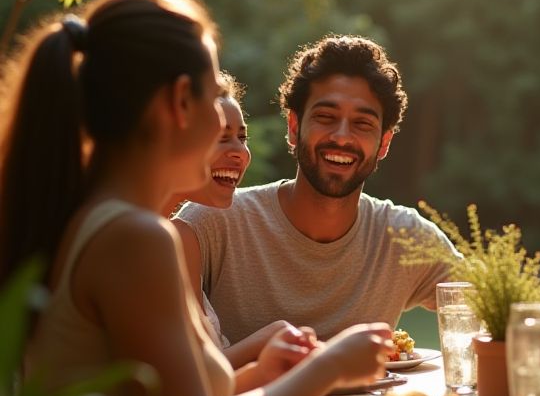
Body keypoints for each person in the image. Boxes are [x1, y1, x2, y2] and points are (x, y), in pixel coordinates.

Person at [1, 0, 529, 396]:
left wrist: (259, 375)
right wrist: (326, 367)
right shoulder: (135, 238)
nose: (229, 130)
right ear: (180, 103)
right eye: (213, 100)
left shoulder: (111, 224)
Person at [176, 35, 455, 347]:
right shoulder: (212, 223)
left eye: (362, 124)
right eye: (326, 117)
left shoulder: (404, 236)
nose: (341, 137)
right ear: (294, 128)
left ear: (384, 143)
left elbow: (494, 305)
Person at [167, 72, 295, 370]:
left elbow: (206, 378)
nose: (240, 153)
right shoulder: (145, 242)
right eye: (220, 138)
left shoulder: (175, 234)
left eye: (241, 137)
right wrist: (327, 367)